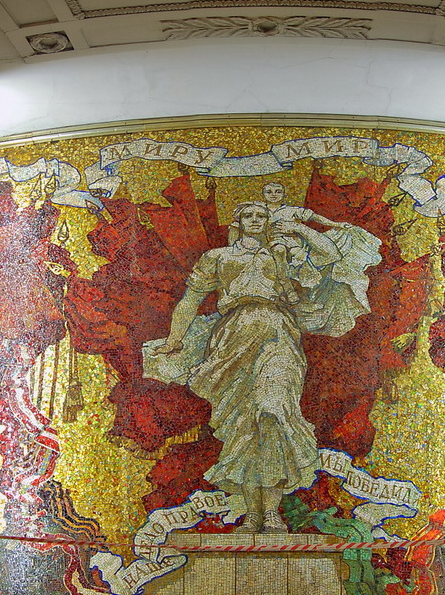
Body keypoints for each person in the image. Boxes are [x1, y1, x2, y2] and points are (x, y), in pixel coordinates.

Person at [147, 199, 380, 532]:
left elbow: (330, 255)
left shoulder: (284, 254)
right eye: (249, 215)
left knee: (272, 412)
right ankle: (254, 513)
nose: (256, 220)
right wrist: (174, 340)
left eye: (261, 215)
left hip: (279, 334)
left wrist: (299, 228)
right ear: (239, 222)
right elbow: (190, 301)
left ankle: (272, 510)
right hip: (233, 338)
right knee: (244, 426)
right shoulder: (219, 257)